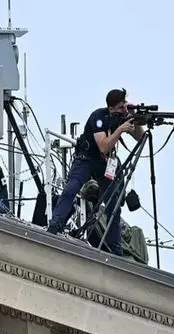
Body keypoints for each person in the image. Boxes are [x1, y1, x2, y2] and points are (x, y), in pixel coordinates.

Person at [47, 88, 145, 256]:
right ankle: (54, 227)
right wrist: (121, 129)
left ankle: (116, 249)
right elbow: (104, 145)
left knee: (113, 203)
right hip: (86, 159)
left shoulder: (123, 117)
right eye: (121, 107)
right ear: (112, 107)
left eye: (125, 107)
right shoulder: (99, 117)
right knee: (72, 188)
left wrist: (134, 118)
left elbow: (141, 138)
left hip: (105, 163)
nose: (123, 110)